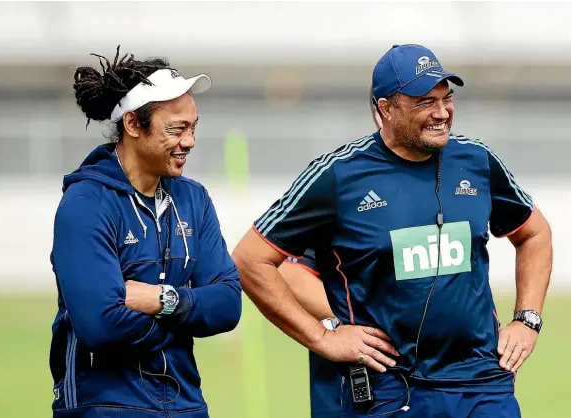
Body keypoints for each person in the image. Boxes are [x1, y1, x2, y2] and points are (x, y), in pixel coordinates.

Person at [233, 44, 552, 417]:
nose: (442, 112)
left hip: (483, 383)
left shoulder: (477, 160)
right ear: (385, 108)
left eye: (446, 99)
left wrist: (527, 319)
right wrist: (323, 337)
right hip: (392, 389)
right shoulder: (337, 176)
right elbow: (250, 260)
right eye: (424, 102)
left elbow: (535, 233)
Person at [49, 46, 242, 418]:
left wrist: (163, 300)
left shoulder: (194, 199)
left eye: (193, 127)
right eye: (176, 129)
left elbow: (228, 305)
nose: (190, 141)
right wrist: (188, 314)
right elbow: (100, 325)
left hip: (186, 405)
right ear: (134, 125)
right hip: (104, 407)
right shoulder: (85, 203)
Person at [277, 93, 394, 417]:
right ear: (382, 111)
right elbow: (289, 272)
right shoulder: (344, 183)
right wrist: (344, 322)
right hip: (355, 382)